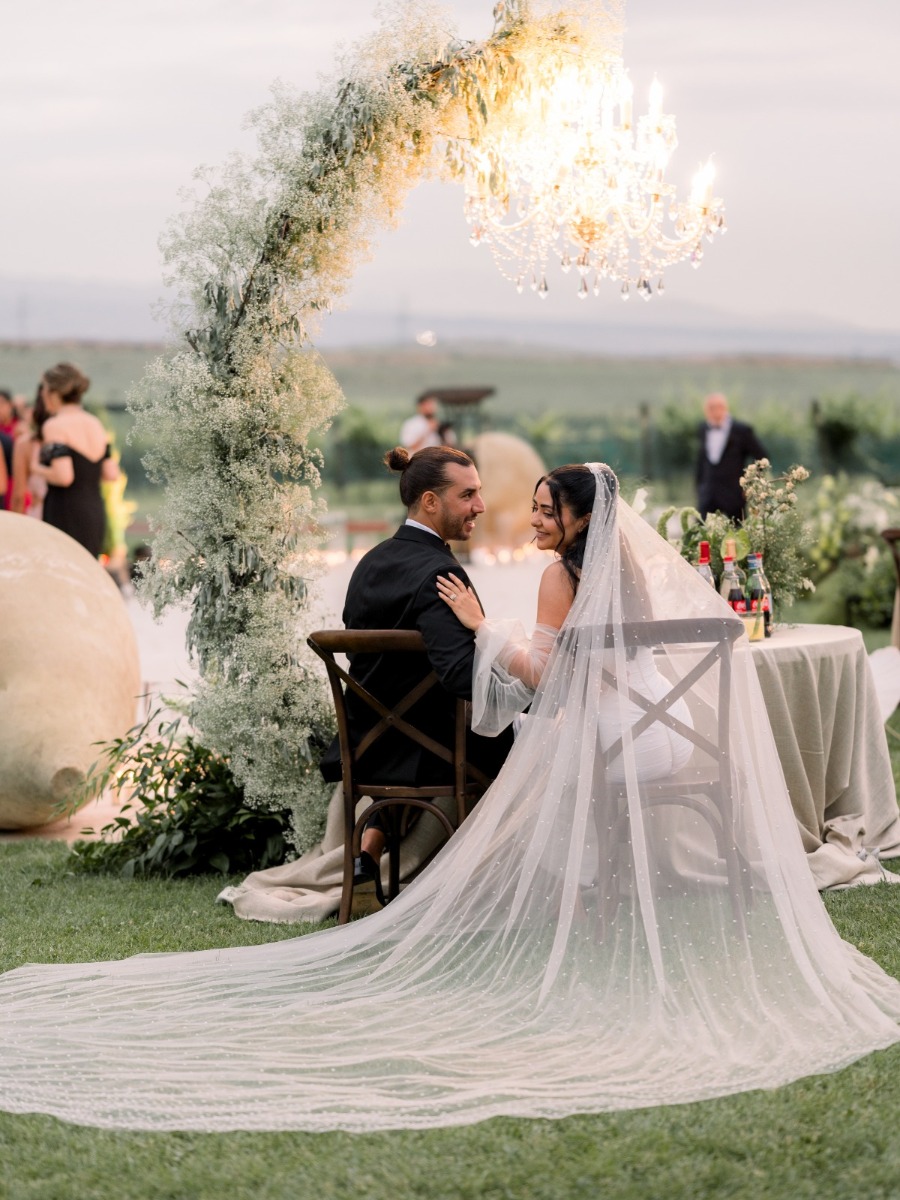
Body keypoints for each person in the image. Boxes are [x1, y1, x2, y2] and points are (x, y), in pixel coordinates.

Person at [4, 462, 900, 1135]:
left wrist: (486, 630)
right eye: (482, 497)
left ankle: (533, 892)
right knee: (530, 743)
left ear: (576, 518)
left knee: (534, 746)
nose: (517, 513)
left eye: (545, 509)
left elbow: (540, 679)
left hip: (489, 742)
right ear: (436, 501)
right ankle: (593, 889)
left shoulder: (425, 571)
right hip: (665, 740)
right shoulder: (630, 571)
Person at [318, 444, 515, 896]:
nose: (479, 507)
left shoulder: (368, 565)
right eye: (467, 496)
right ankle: (510, 879)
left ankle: (370, 847)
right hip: (431, 750)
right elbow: (461, 677)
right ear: (430, 501)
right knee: (533, 735)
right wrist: (520, 675)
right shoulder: (442, 574)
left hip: (368, 743)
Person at [29, 363, 119, 557]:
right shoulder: (95, 423)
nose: (42, 395)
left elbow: (64, 477)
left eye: (44, 389)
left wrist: (36, 467)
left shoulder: (54, 426)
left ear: (53, 392)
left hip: (65, 512)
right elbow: (111, 473)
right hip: (94, 511)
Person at [695, 392, 767, 521]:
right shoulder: (703, 428)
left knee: (737, 534)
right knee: (699, 531)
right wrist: (700, 486)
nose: (713, 412)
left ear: (724, 408)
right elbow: (702, 460)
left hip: (733, 494)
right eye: (709, 408)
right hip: (708, 493)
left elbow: (762, 458)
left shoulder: (742, 430)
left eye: (716, 407)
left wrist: (749, 485)